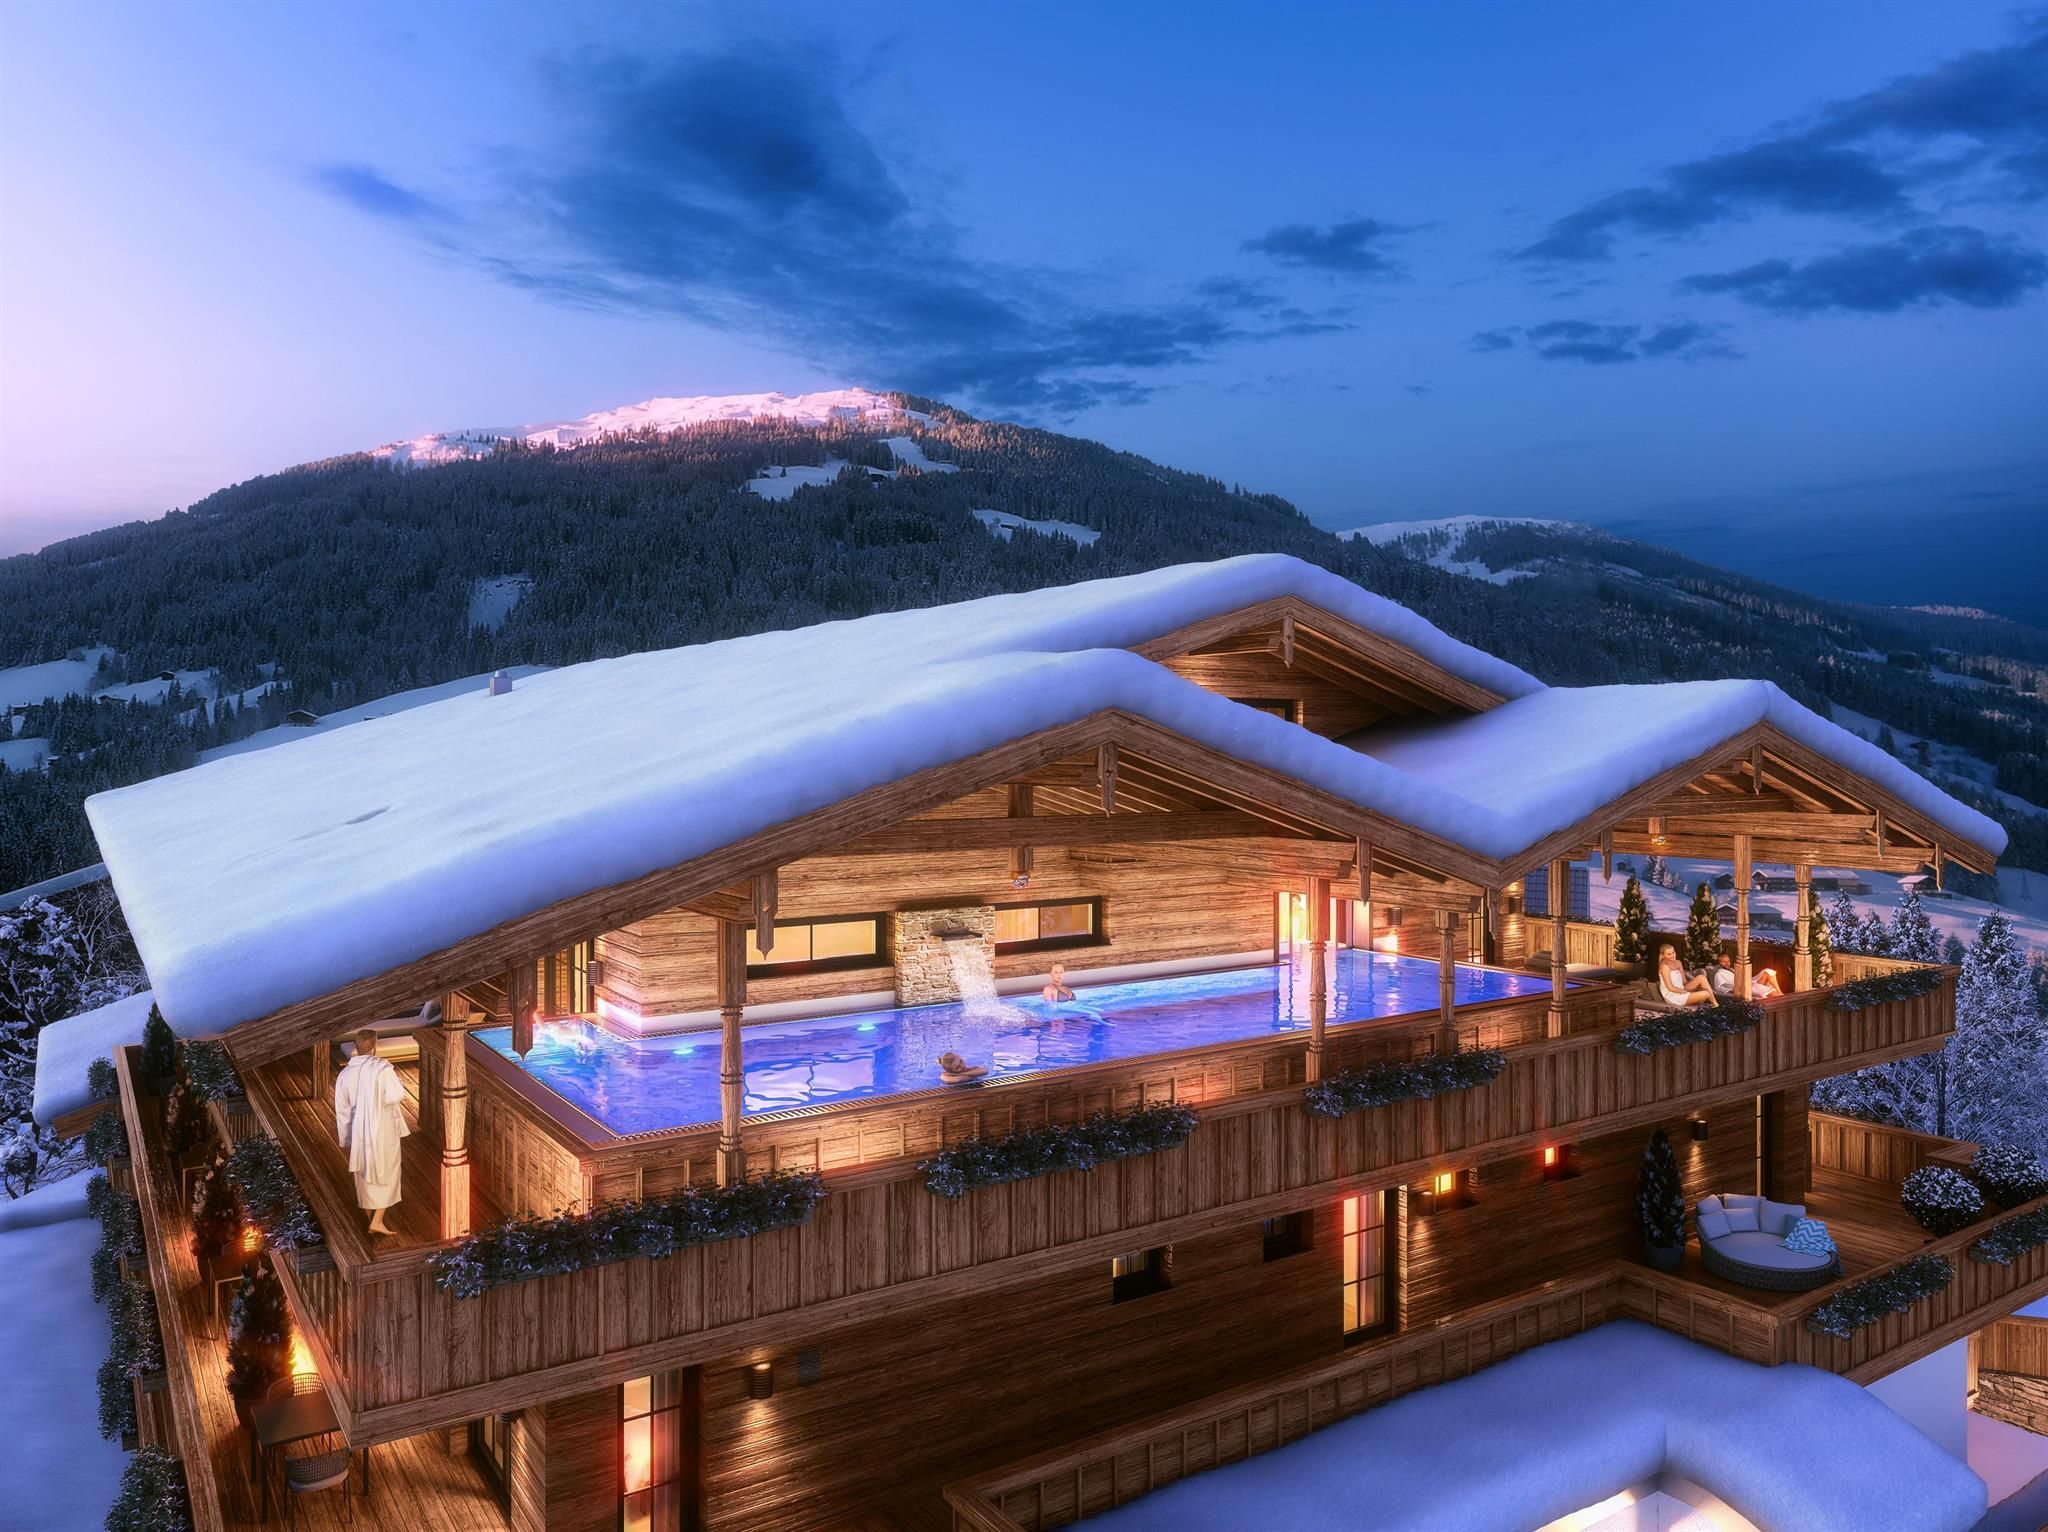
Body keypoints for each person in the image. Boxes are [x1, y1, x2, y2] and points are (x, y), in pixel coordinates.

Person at [334, 1028, 408, 1235]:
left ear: (356, 1047)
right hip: (382, 1125)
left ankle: (370, 1218)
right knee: (387, 1168)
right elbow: (396, 1095)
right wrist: (377, 1100)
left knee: (364, 1171)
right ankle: (377, 1220)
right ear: (375, 1046)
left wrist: (346, 1138)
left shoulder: (345, 1074)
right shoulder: (382, 1069)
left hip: (358, 1129)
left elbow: (342, 1109)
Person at [1657, 944, 1719, 1008]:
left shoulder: (1678, 962)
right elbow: (1670, 988)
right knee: (1706, 993)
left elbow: (1684, 982)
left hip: (1681, 988)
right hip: (1672, 996)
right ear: (1663, 955)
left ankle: (1715, 1004)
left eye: (1673, 952)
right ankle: (1698, 1001)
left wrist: (1696, 986)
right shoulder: (1664, 967)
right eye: (1669, 954)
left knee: (1701, 977)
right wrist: (1685, 992)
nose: (1673, 955)